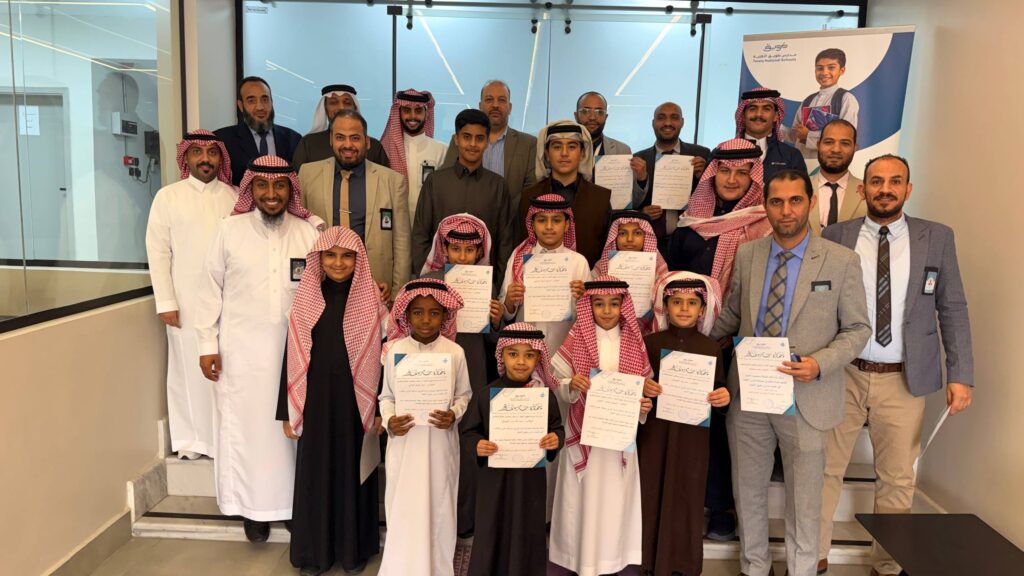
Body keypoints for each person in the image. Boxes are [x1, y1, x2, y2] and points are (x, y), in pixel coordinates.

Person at [710, 169, 871, 576]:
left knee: (805, 497)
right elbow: (732, 316)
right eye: (777, 201)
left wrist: (820, 364)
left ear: (810, 202)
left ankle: (801, 570)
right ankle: (754, 567)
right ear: (765, 206)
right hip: (749, 394)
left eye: (795, 200)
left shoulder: (841, 261)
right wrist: (684, 339)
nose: (786, 210)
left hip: (808, 396)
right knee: (747, 490)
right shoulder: (748, 254)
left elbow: (857, 329)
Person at [818, 155, 974, 576]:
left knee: (898, 477)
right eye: (876, 181)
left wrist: (960, 374)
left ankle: (886, 564)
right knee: (824, 468)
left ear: (908, 188)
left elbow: (952, 306)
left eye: (894, 181)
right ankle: (812, 555)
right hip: (844, 372)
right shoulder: (836, 235)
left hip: (905, 377)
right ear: (863, 188)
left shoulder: (937, 237)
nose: (885, 189)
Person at [193, 156, 323, 543]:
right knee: (248, 431)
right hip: (241, 354)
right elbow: (208, 290)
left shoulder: (308, 233)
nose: (271, 194)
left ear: (290, 190)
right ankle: (252, 510)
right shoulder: (229, 230)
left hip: (295, 355)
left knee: (291, 433)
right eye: (262, 186)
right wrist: (207, 343)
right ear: (249, 188)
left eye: (279, 186)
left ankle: (292, 507)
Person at [669, 137, 773, 541]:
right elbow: (671, 281)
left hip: (741, 345)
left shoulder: (764, 225)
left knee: (731, 428)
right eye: (724, 171)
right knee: (691, 424)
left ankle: (722, 508)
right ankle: (686, 504)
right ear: (711, 176)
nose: (731, 179)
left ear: (753, 177)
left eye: (741, 172)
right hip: (692, 343)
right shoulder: (690, 226)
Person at [278, 226, 389, 576]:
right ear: (319, 258)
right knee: (316, 477)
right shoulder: (307, 299)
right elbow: (291, 356)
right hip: (316, 406)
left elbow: (384, 359)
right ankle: (314, 555)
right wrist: (286, 412)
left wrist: (381, 409)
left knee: (355, 476)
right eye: (330, 255)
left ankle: (353, 552)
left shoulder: (373, 302)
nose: (338, 263)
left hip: (358, 407)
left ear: (359, 260)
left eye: (347, 256)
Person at [549, 276, 655, 576]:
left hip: (620, 439)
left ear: (623, 305)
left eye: (613, 304)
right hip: (584, 434)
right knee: (583, 499)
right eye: (599, 304)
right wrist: (572, 384)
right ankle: (580, 559)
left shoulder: (633, 340)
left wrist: (643, 407)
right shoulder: (577, 337)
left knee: (614, 500)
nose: (607, 311)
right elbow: (558, 383)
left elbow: (642, 390)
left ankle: (612, 559)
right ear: (589, 306)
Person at [146, 130, 237, 460]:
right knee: (186, 368)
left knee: (225, 367)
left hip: (228, 301)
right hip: (185, 300)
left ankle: (222, 438)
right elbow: (158, 251)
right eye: (197, 152)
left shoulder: (234, 197)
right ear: (186, 157)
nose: (205, 159)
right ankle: (192, 441)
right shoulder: (168, 197)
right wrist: (166, 301)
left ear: (220, 158)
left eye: (212, 152)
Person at [419, 213, 505, 542]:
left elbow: (495, 343)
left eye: (470, 251)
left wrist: (496, 321)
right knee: (435, 442)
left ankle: (465, 520)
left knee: (468, 444)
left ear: (479, 252)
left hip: (474, 370)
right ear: (445, 249)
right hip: (433, 372)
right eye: (456, 249)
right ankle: (432, 520)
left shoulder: (487, 283)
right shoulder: (430, 281)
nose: (463, 257)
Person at [378, 279, 473, 576]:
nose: (426, 320)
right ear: (407, 315)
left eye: (434, 313)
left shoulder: (455, 352)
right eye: (418, 312)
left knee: (439, 505)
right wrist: (390, 421)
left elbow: (464, 395)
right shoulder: (395, 351)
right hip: (405, 444)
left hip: (440, 442)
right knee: (403, 504)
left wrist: (453, 414)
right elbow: (386, 397)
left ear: (445, 316)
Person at [639, 272, 729, 576]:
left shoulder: (711, 348)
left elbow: (719, 388)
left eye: (692, 303)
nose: (684, 308)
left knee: (687, 494)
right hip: (655, 434)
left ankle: (683, 564)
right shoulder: (650, 344)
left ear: (702, 310)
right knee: (650, 491)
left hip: (693, 436)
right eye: (677, 302)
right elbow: (635, 385)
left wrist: (722, 396)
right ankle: (647, 562)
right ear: (665, 306)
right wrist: (643, 387)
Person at [459, 323, 565, 576]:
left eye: (529, 355)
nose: (521, 362)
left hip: (530, 482)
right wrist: (477, 445)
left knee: (526, 529)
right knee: (492, 528)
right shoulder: (486, 394)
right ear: (502, 355)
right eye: (513, 354)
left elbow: (557, 429)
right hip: (494, 481)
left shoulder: (545, 397)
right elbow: (469, 432)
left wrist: (555, 440)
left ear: (538, 358)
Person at [298, 109, 410, 296]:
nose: (348, 144)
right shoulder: (307, 174)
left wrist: (397, 293)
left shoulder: (392, 181)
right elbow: (299, 233)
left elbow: (401, 243)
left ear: (367, 142)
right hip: (321, 285)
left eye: (355, 138)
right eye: (340, 137)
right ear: (331, 140)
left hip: (376, 286)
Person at [412, 109, 516, 286]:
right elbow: (421, 235)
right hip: (439, 283)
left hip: (483, 286)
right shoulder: (435, 182)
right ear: (456, 139)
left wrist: (497, 287)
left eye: (479, 138)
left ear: (487, 142)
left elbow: (505, 242)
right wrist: (429, 281)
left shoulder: (498, 185)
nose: (473, 144)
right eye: (467, 137)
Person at [518, 120, 611, 266]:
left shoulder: (600, 198)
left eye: (572, 147)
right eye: (557, 147)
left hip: (589, 278)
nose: (564, 153)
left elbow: (607, 250)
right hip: (540, 277)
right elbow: (522, 245)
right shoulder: (529, 196)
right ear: (547, 153)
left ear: (583, 153)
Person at [442, 80, 537, 209]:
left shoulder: (529, 144)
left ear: (510, 107)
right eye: (489, 99)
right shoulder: (461, 141)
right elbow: (448, 179)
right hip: (467, 216)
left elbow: (530, 189)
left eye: (501, 100)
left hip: (512, 218)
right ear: (480, 106)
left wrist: (505, 214)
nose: (495, 105)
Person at [632, 102, 711, 254]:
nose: (667, 123)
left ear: (682, 122)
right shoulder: (638, 159)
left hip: (691, 242)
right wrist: (642, 213)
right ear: (653, 123)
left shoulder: (702, 154)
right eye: (661, 118)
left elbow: (714, 199)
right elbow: (628, 204)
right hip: (650, 243)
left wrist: (702, 176)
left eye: (674, 117)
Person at [591, 210, 668, 334]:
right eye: (622, 233)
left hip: (647, 331)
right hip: (610, 330)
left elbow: (664, 302)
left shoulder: (658, 266)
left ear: (646, 236)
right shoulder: (602, 265)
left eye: (637, 233)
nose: (630, 239)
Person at [215, 76, 302, 185]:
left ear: (272, 102)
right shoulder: (223, 140)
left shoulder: (293, 139)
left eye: (265, 100)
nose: (260, 107)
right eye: (251, 101)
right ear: (241, 106)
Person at [379, 89, 448, 216]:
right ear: (398, 113)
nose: (412, 116)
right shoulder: (386, 150)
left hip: (430, 223)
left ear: (427, 114)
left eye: (418, 110)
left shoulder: (442, 151)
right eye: (406, 110)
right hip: (396, 222)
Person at [292, 84, 390, 168]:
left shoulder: (374, 147)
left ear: (354, 107)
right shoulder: (308, 144)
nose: (341, 108)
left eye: (347, 103)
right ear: (325, 108)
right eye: (333, 103)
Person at [789, 49, 860, 158]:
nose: (824, 72)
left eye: (831, 67)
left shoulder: (846, 99)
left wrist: (808, 135)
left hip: (830, 162)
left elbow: (845, 137)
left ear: (842, 71)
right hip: (803, 162)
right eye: (820, 68)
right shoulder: (808, 100)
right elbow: (795, 135)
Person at [734, 88, 807, 183]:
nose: (759, 114)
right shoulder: (724, 152)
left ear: (776, 116)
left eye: (766, 109)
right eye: (752, 109)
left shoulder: (792, 155)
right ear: (743, 115)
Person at [808, 119, 865, 233]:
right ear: (818, 145)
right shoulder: (798, 189)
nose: (836, 150)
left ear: (855, 148)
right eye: (829, 142)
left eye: (845, 143)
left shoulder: (868, 192)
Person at [574, 91, 631, 157]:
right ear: (576, 116)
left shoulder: (622, 151)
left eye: (599, 112)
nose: (592, 117)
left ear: (606, 117)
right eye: (585, 111)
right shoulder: (563, 149)